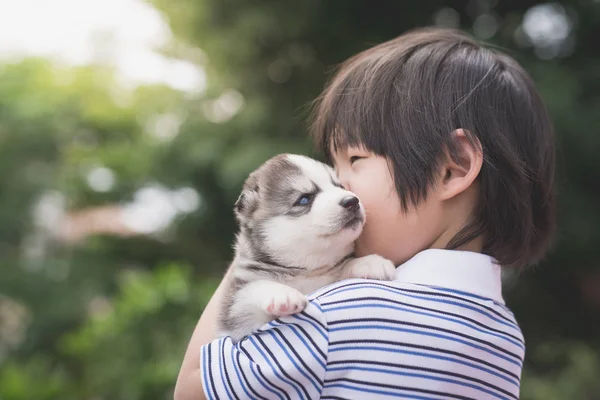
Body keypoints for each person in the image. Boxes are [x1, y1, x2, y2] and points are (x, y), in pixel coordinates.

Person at [174, 26, 556, 400]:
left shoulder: (348, 313)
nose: (343, 188)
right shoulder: (504, 333)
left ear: (452, 167)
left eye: (355, 159)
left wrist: (253, 247)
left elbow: (193, 388)